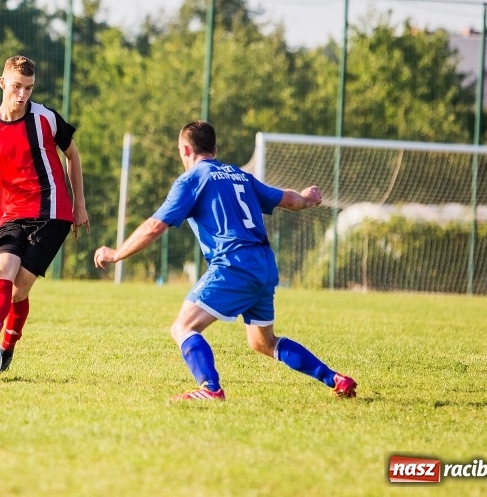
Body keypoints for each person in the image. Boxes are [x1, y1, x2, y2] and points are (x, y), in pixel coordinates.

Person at [93, 120, 356, 401]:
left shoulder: (192, 179)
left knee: (183, 327)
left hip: (233, 264)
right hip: (264, 264)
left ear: (185, 150)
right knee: (263, 342)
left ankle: (211, 389)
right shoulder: (240, 175)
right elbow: (290, 200)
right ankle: (336, 379)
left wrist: (116, 254)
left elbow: (155, 226)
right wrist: (306, 198)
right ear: (214, 149)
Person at [0, 55, 89, 373]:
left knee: (19, 287)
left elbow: (73, 155)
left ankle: (7, 346)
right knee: (2, 269)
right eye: (16, 86)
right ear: (2, 83)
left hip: (52, 212)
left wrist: (79, 203)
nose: (22, 95)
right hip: (12, 212)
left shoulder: (45, 118)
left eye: (29, 88)